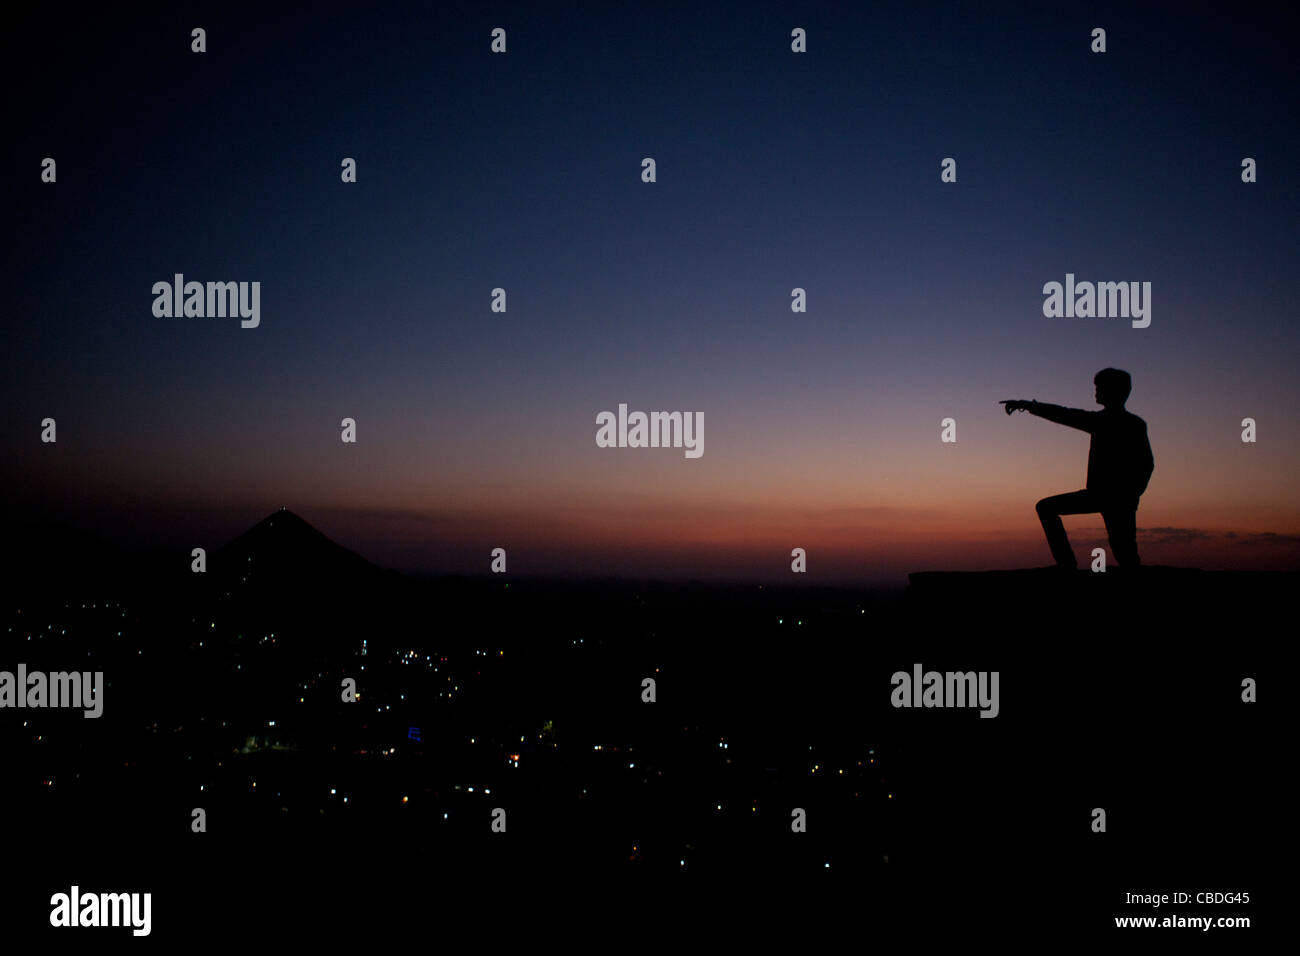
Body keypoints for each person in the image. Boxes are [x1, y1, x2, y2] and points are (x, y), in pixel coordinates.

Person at [1001, 369, 1154, 569]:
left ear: (1116, 391)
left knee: (1124, 552)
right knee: (1124, 551)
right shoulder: (1111, 421)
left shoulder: (1125, 423)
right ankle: (1066, 563)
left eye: (1100, 388)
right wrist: (1028, 405)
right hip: (1103, 495)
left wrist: (1130, 494)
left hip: (1116, 498)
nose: (1096, 392)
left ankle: (1066, 564)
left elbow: (1146, 464)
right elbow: (1065, 414)